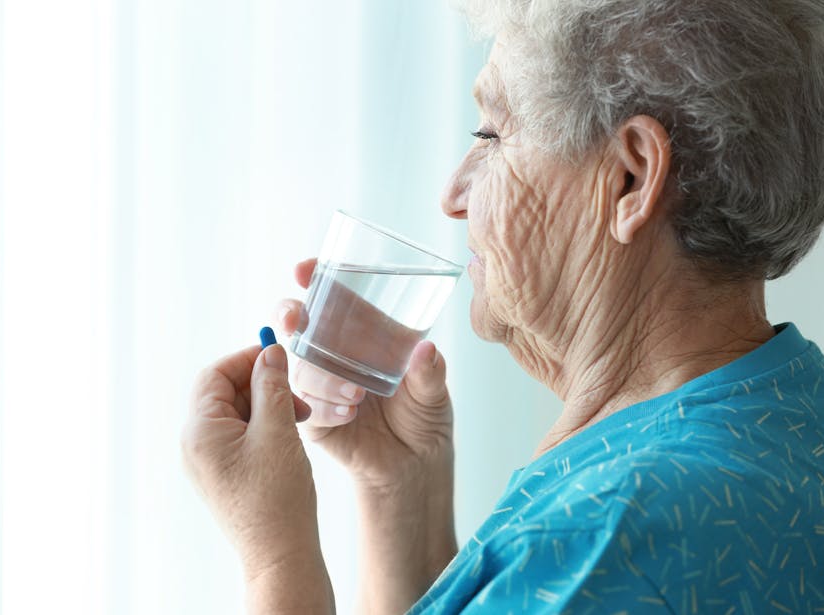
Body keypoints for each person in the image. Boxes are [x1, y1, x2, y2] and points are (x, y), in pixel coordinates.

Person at [181, 0, 824, 612]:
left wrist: (276, 559)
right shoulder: (785, 407)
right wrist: (398, 487)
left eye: (488, 134)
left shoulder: (614, 533)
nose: (453, 193)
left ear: (630, 178)